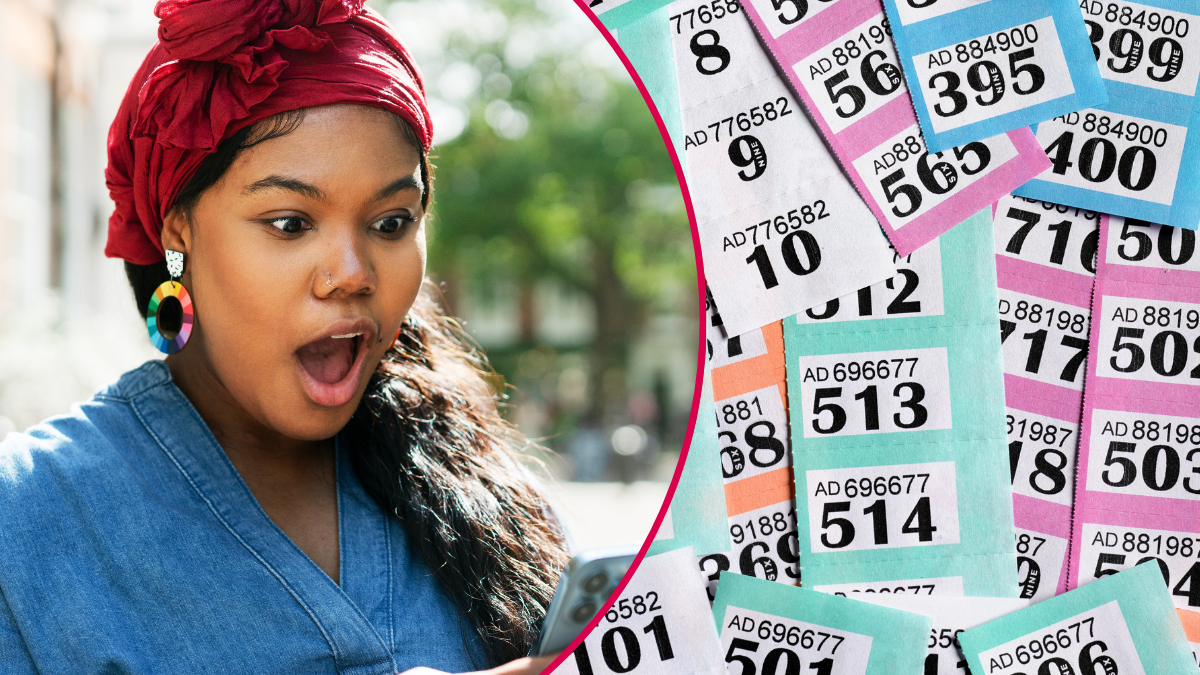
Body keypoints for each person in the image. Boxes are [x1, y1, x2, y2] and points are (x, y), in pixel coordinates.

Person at [0, 0, 570, 672]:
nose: (352, 274)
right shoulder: (26, 521)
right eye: (291, 223)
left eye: (390, 223)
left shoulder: (492, 495)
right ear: (177, 230)